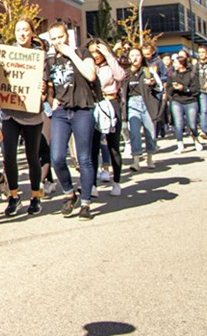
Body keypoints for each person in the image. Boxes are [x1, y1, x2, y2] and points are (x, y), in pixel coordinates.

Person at [45, 23, 98, 220]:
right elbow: (49, 88)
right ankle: (69, 193)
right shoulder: (51, 61)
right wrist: (52, 100)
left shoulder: (82, 52)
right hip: (61, 111)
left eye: (60, 37)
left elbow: (91, 75)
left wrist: (72, 54)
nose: (58, 42)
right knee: (57, 157)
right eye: (54, 39)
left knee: (84, 158)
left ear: (67, 36)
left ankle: (85, 203)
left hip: (82, 109)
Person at [0, 20, 48, 216]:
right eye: (18, 30)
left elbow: (45, 82)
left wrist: (43, 90)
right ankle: (13, 196)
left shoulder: (40, 57)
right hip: (10, 113)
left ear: (32, 33)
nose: (21, 33)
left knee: (32, 156)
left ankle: (35, 196)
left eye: (25, 30)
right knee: (9, 156)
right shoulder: (6, 54)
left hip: (32, 114)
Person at [88, 40, 127, 197]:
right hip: (94, 104)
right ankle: (92, 185)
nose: (95, 55)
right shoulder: (89, 65)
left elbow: (121, 76)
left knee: (113, 146)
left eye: (98, 51)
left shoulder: (110, 64)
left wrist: (109, 55)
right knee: (93, 146)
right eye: (92, 51)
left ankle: (116, 181)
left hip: (111, 103)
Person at [122, 47, 162, 172]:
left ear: (142, 57)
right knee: (134, 133)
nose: (135, 58)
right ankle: (136, 160)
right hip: (132, 104)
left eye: (137, 55)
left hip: (147, 103)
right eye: (132, 55)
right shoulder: (125, 73)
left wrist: (152, 84)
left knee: (150, 133)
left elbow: (159, 88)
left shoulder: (147, 71)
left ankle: (150, 157)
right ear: (129, 58)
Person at [168, 49, 202, 153]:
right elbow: (168, 89)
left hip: (190, 101)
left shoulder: (192, 74)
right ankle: (180, 144)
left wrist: (184, 88)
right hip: (177, 101)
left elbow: (196, 90)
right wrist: (173, 88)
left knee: (192, 124)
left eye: (176, 63)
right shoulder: (173, 75)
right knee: (178, 124)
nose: (174, 64)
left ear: (182, 64)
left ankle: (196, 139)